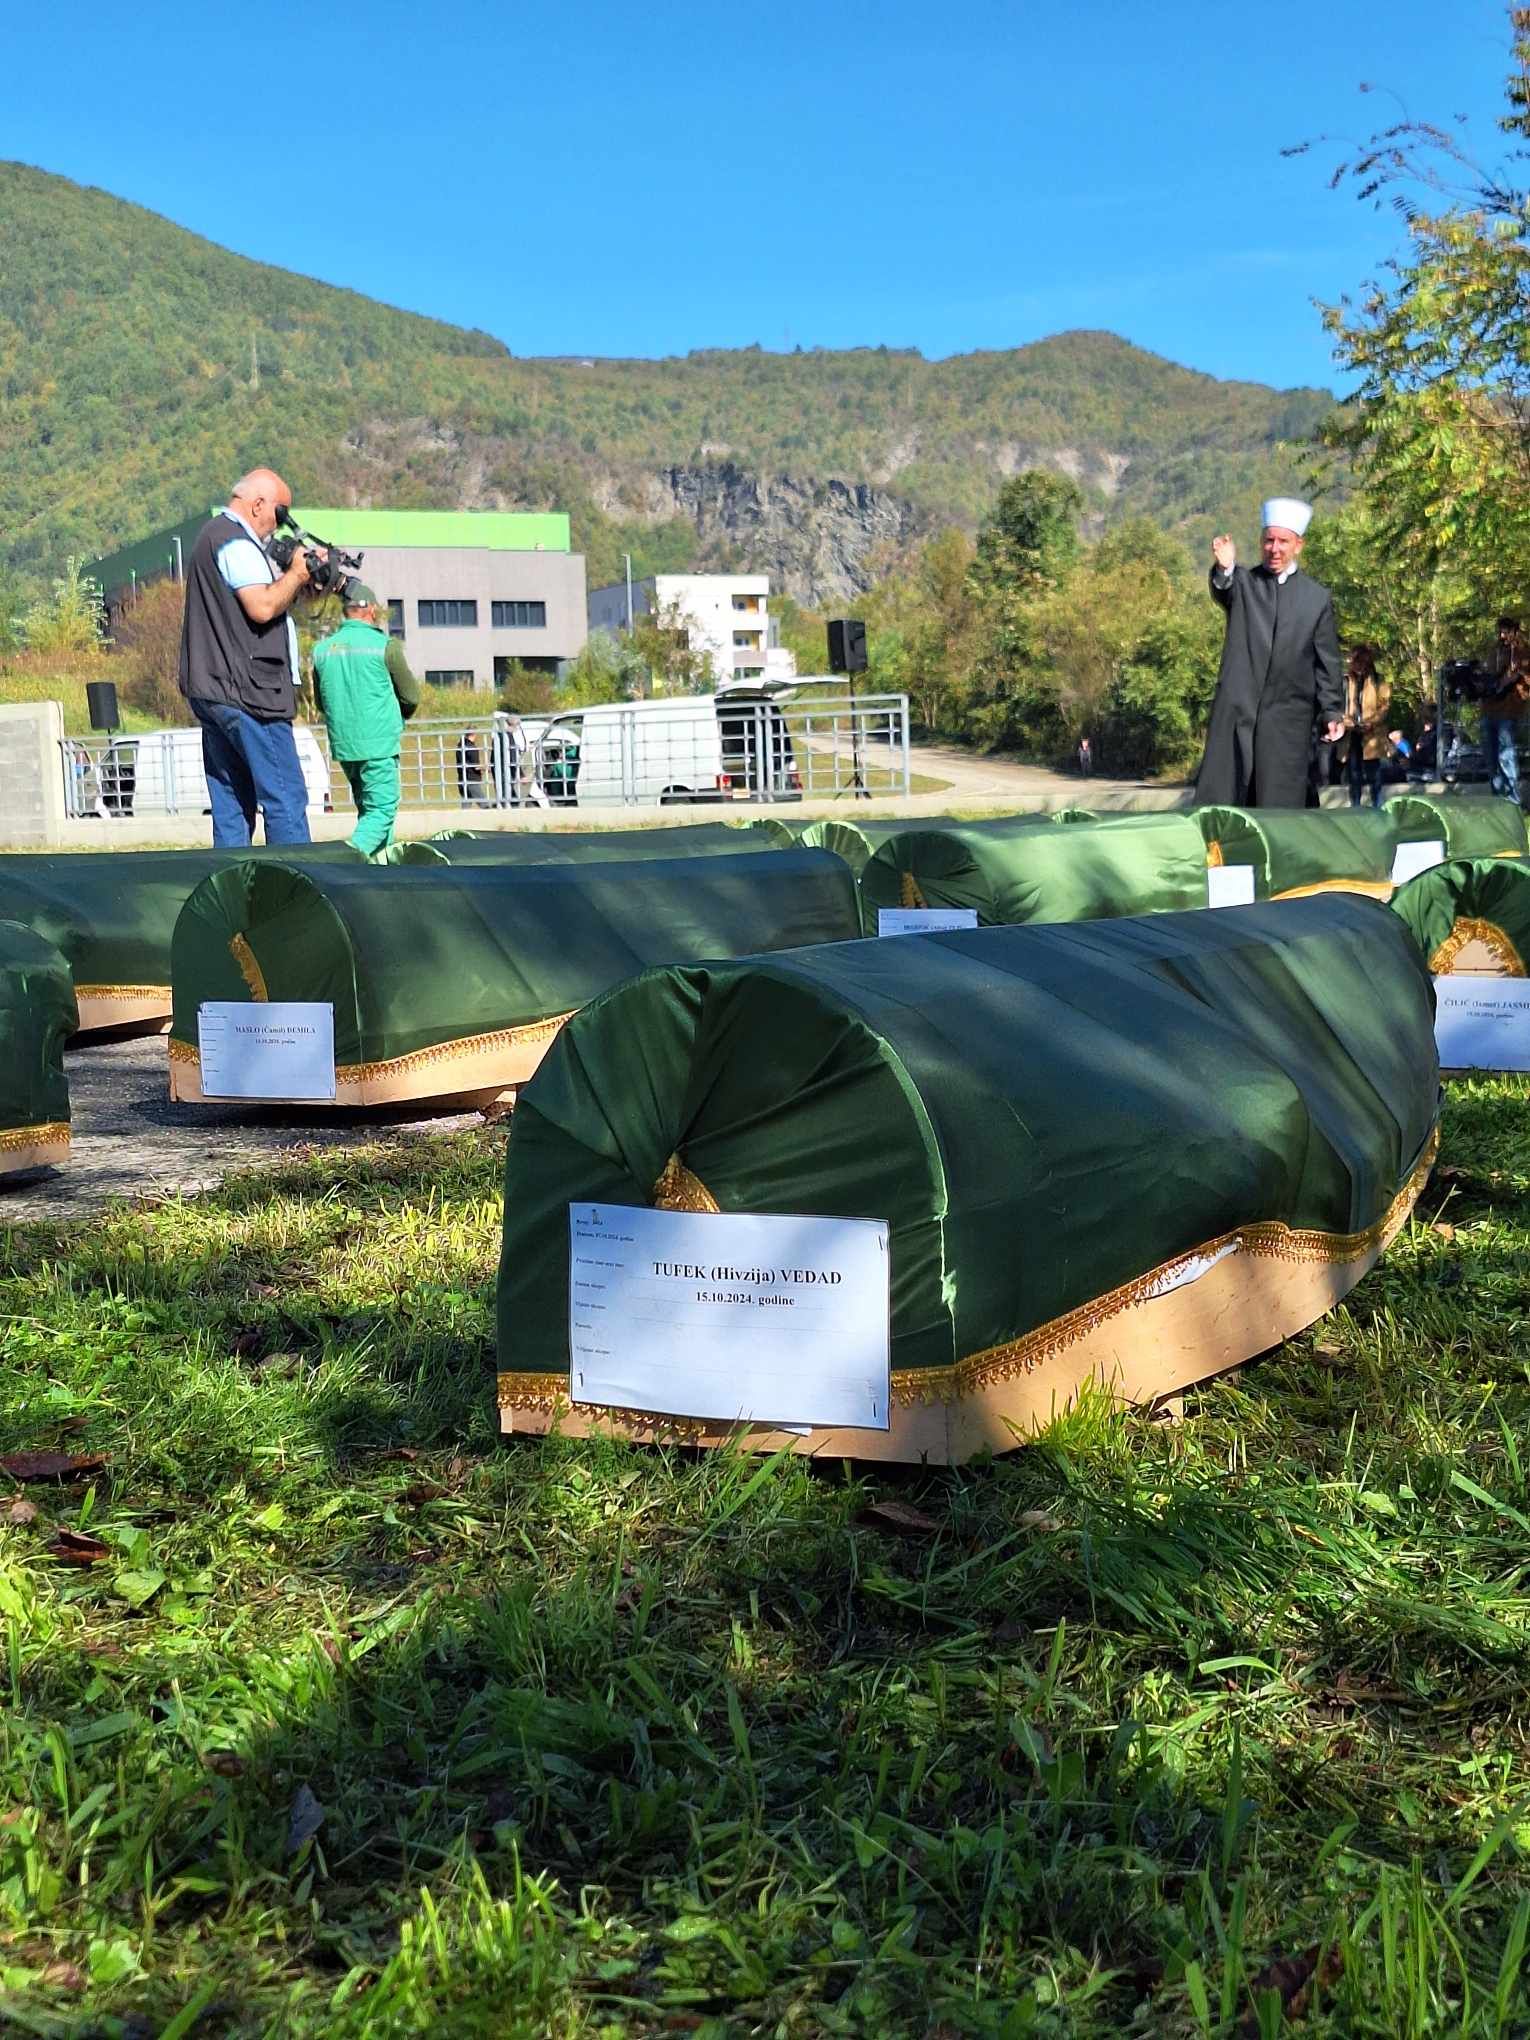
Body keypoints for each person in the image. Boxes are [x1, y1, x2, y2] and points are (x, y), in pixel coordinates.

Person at [177, 467, 318, 845]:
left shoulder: (211, 536)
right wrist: (297, 575)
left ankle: (232, 888)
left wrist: (300, 584)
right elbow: (261, 606)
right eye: (280, 513)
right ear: (258, 505)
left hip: (212, 690)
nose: (280, 526)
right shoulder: (236, 542)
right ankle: (295, 889)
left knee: (233, 802)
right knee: (284, 795)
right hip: (250, 694)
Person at [1194, 497, 1345, 808]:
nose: (1275, 549)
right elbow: (1224, 587)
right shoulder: (1245, 584)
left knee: (1281, 801)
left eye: (1283, 541)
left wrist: (1331, 711)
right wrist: (1224, 567)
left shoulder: (1316, 598)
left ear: (1298, 545)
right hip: (1239, 712)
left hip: (1289, 718)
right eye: (1268, 540)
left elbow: (1326, 662)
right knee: (1228, 796)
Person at [310, 582, 421, 854]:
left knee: (368, 811)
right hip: (379, 742)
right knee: (382, 810)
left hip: (346, 746)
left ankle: (379, 872)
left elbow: (320, 702)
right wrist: (398, 716)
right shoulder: (385, 646)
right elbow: (411, 696)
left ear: (346, 612)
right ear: (371, 610)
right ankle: (345, 861)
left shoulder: (322, 650)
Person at [1479, 616, 1527, 806]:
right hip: (1489, 709)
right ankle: (1497, 798)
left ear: (1515, 631)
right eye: (1500, 631)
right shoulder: (1494, 651)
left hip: (1508, 710)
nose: (1502, 635)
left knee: (1506, 755)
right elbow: (1488, 677)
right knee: (1490, 757)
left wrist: (1516, 677)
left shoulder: (1523, 651)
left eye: (1506, 631)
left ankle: (1513, 800)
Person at [1344, 644, 1392, 809]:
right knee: (1354, 774)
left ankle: (1377, 807)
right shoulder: (1346, 681)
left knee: (1374, 774)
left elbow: (1384, 707)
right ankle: (1355, 807)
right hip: (1352, 733)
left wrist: (1371, 722)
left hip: (1371, 735)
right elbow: (1341, 705)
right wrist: (1347, 721)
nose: (1357, 667)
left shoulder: (1378, 681)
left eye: (1360, 663)